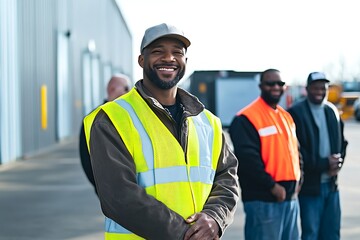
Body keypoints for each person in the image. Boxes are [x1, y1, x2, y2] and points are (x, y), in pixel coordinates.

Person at [83, 23, 240, 239]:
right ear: (141, 60)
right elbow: (119, 196)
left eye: (178, 52)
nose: (169, 58)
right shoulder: (112, 118)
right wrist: (186, 234)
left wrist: (215, 217)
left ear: (186, 61)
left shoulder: (208, 122)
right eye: (158, 51)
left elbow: (227, 176)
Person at [229, 68, 302, 240]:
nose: (276, 87)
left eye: (280, 83)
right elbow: (247, 161)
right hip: (264, 201)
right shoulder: (246, 118)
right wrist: (272, 186)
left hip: (290, 199)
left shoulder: (286, 116)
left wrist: (300, 179)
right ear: (261, 86)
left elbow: (296, 152)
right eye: (271, 83)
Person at [287, 72, 348, 240]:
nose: (320, 91)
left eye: (323, 88)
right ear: (307, 89)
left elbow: (342, 143)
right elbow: (294, 151)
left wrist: (338, 162)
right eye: (315, 87)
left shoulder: (332, 111)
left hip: (331, 187)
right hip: (310, 188)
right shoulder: (295, 113)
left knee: (332, 234)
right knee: (311, 234)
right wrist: (323, 163)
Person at [79, 74, 130, 196]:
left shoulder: (124, 115)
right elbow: (87, 159)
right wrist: (102, 187)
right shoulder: (97, 119)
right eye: (127, 88)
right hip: (112, 192)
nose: (130, 92)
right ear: (112, 89)